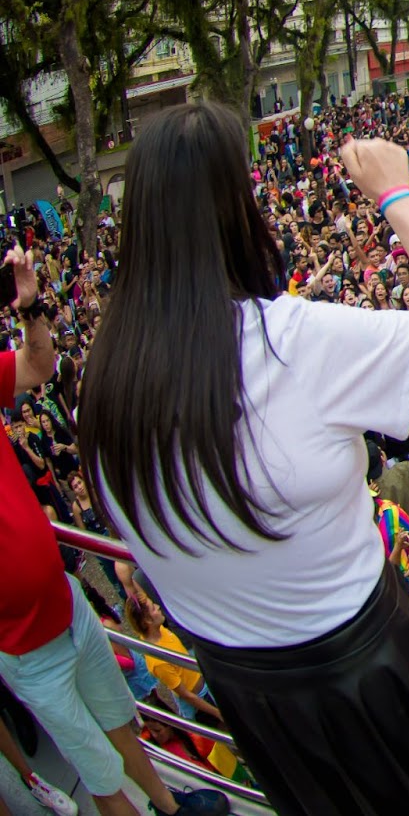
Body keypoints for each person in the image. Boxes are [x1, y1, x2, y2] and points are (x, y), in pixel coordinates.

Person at [80, 111, 409, 814]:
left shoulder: (105, 375)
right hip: (363, 674)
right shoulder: (289, 337)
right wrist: (396, 194)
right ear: (238, 206)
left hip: (251, 691)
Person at [0, 245, 230, 816]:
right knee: (97, 770)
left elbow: (39, 367)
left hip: (68, 603)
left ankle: (169, 809)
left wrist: (30, 307)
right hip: (23, 650)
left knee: (119, 721)